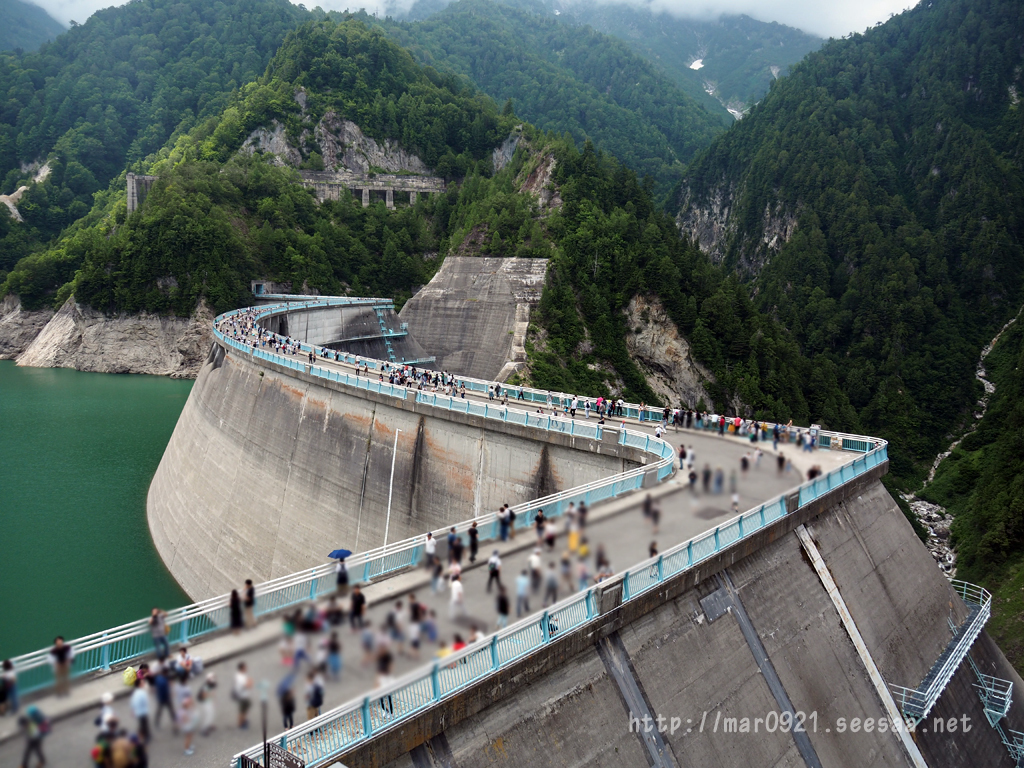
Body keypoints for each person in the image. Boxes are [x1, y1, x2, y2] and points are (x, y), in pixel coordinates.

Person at [130, 679, 150, 744]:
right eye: (142, 683)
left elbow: (132, 703)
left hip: (138, 712)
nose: (143, 684)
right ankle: (145, 737)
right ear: (139, 684)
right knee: (144, 725)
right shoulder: (142, 693)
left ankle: (143, 735)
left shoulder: (135, 693)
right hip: (143, 712)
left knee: (142, 725)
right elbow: (145, 702)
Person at [233, 662, 252, 729]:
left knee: (244, 710)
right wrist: (250, 681)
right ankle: (241, 723)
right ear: (242, 668)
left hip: (243, 695)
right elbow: (248, 685)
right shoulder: (240, 677)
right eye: (245, 667)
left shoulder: (239, 675)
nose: (246, 668)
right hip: (243, 696)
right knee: (243, 710)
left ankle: (243, 721)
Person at [180, 690, 197, 755]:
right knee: (188, 737)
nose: (189, 704)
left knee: (190, 736)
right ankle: (186, 749)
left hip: (189, 726)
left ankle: (189, 746)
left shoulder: (186, 709)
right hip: (186, 727)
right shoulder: (183, 712)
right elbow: (185, 720)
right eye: (188, 704)